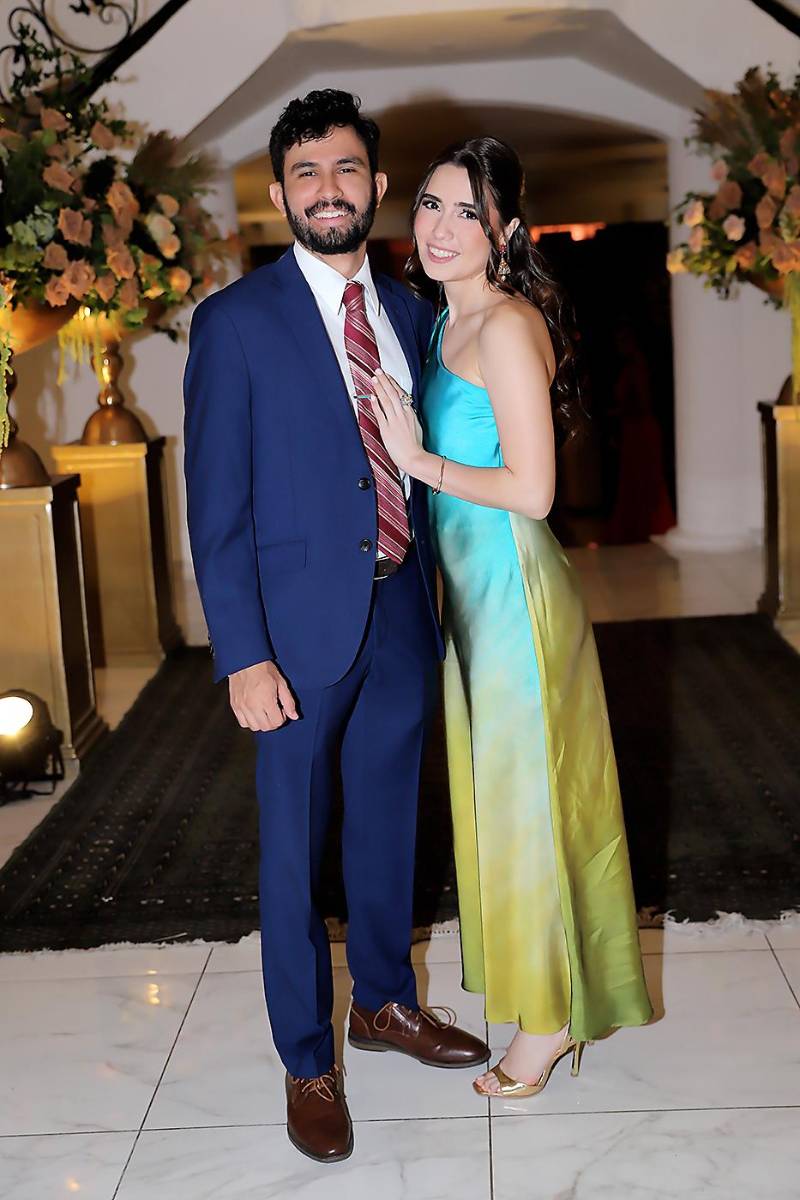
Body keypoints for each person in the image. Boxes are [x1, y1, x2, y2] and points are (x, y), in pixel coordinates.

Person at [183, 92, 489, 1164]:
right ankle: (308, 1058)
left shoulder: (410, 311)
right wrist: (242, 653)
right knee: (292, 854)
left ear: (376, 186)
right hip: (293, 636)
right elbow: (215, 507)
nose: (328, 189)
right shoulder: (234, 323)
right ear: (279, 193)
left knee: (389, 826)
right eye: (306, 172)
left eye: (346, 169)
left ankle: (385, 1005)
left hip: (401, 609)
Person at [370, 136, 653, 1099]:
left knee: (530, 809)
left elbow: (534, 491)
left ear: (508, 233)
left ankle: (550, 1023)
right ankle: (546, 994)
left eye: (468, 213)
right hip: (470, 602)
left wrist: (420, 460)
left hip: (516, 599)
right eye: (431, 205)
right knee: (503, 805)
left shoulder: (503, 325)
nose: (442, 228)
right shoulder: (440, 324)